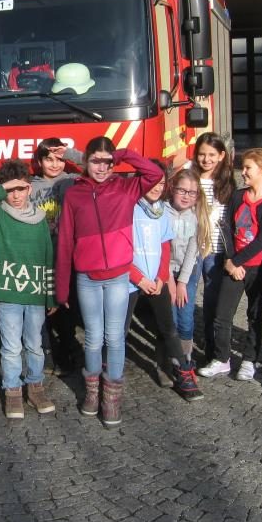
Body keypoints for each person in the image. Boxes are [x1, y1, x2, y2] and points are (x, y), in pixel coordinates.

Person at [55, 137, 166, 420]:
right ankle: (93, 390)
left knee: (115, 337)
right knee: (93, 338)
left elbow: (155, 174)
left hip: (118, 276)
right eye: (96, 161)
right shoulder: (74, 194)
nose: (102, 167)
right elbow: (66, 240)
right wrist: (61, 287)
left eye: (107, 162)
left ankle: (112, 396)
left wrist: (125, 153)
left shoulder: (126, 188)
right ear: (85, 162)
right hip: (88, 278)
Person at [0, 160, 57, 419]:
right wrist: (2, 187)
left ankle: (35, 386)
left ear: (30, 189)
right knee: (10, 348)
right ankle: (12, 391)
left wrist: (50, 294)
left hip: (34, 294)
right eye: (11, 190)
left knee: (34, 345)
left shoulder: (41, 218)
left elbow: (47, 256)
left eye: (21, 189)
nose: (16, 195)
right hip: (8, 293)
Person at [199, 148, 262, 381]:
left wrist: (235, 261)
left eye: (248, 168)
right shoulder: (238, 196)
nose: (243, 172)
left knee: (255, 316)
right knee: (222, 314)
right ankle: (222, 358)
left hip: (259, 269)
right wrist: (230, 260)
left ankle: (249, 360)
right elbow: (226, 226)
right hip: (233, 265)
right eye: (242, 167)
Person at [125, 165, 203, 417]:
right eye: (152, 183)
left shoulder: (160, 211)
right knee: (120, 330)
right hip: (131, 279)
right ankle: (108, 376)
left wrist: (162, 277)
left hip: (158, 278)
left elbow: (165, 247)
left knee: (168, 325)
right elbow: (121, 247)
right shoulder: (130, 209)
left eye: (161, 184)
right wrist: (138, 277)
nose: (157, 188)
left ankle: (182, 370)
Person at [30, 138, 83, 375]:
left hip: (65, 258)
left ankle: (68, 348)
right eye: (48, 159)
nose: (54, 164)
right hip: (40, 257)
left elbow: (98, 166)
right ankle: (47, 351)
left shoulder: (72, 182)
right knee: (43, 310)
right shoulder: (30, 186)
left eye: (59, 160)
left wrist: (71, 153)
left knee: (66, 307)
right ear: (39, 162)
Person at [191, 132, 235, 363]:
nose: (206, 160)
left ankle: (211, 347)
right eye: (201, 154)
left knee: (211, 300)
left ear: (221, 156)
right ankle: (185, 343)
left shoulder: (227, 181)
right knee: (187, 298)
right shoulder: (191, 177)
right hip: (193, 247)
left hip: (216, 249)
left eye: (211, 155)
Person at [166, 167, 210, 363]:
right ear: (172, 188)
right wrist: (170, 281)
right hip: (166, 270)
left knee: (185, 316)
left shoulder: (196, 215)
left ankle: (185, 354)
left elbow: (193, 251)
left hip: (187, 271)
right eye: (182, 190)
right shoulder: (163, 212)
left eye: (191, 192)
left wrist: (182, 282)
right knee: (171, 317)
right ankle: (173, 354)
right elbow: (162, 250)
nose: (186, 196)